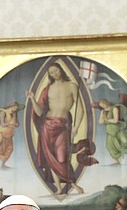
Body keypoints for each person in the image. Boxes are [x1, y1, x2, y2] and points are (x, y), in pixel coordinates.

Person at [26, 62, 95, 195]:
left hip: (62, 125)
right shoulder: (48, 89)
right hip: (47, 125)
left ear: (61, 70)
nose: (54, 74)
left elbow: (80, 108)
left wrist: (76, 127)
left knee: (62, 157)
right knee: (50, 157)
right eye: (51, 73)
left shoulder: (71, 86)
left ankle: (73, 185)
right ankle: (58, 187)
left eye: (56, 71)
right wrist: (33, 99)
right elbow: (39, 112)